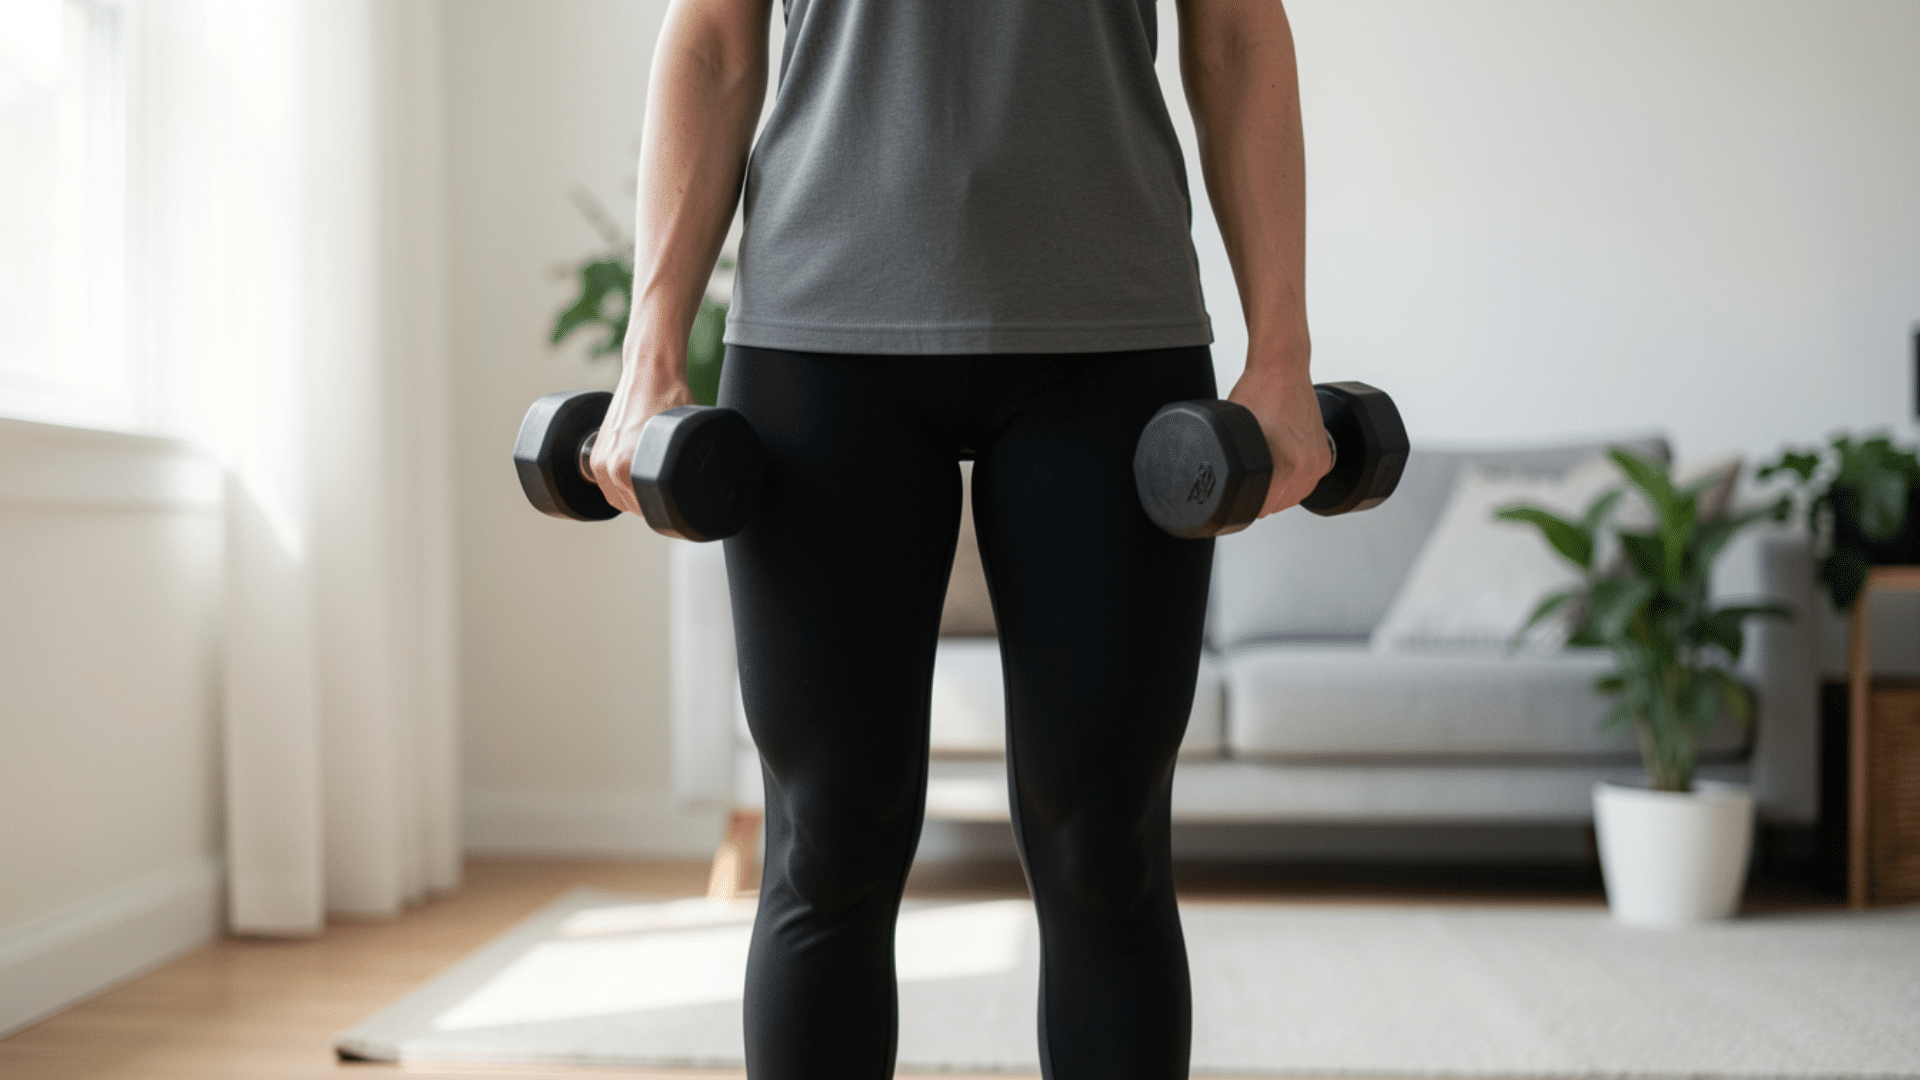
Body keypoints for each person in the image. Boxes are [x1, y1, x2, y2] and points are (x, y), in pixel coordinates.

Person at [590, 1, 1324, 1076]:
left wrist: (1283, 353)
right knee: (828, 835)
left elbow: (1237, 35)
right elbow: (711, 39)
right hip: (820, 332)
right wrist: (650, 347)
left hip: (1113, 331)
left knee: (1102, 839)